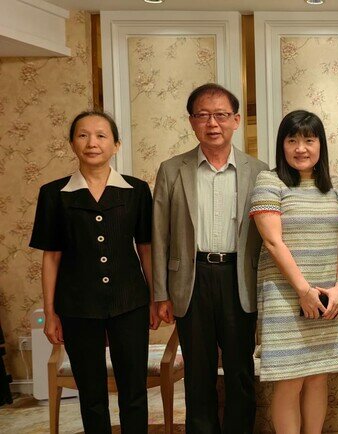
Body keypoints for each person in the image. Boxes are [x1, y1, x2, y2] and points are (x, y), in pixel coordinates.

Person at [30, 110, 159, 433]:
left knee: (134, 391)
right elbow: (52, 257)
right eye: (83, 135)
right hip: (76, 307)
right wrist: (50, 313)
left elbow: (146, 249)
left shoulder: (136, 190)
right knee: (91, 394)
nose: (92, 143)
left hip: (130, 303)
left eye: (101, 136)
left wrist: (156, 298)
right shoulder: (53, 194)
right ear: (72, 143)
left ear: (116, 144)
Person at [152, 83, 268, 433]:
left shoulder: (259, 170)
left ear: (235, 120)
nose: (212, 123)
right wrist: (160, 293)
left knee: (240, 371)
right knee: (198, 373)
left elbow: (270, 238)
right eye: (203, 115)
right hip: (191, 278)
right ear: (191, 122)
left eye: (220, 115)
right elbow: (159, 234)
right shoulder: (172, 169)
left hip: (239, 279)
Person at [250, 110, 338, 433]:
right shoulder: (269, 181)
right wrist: (303, 291)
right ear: (282, 145)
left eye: (309, 140)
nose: (301, 148)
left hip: (328, 296)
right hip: (285, 296)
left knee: (318, 375)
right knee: (290, 380)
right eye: (292, 140)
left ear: (320, 145)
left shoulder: (333, 185)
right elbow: (272, 242)